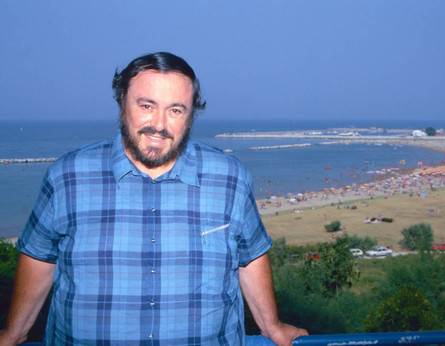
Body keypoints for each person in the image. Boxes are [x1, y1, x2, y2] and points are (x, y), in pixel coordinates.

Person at [0, 52, 308, 345]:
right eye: (147, 105)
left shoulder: (230, 178)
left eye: (175, 110)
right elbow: (40, 256)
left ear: (191, 116)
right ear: (122, 101)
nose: (159, 124)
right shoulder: (67, 175)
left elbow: (250, 255)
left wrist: (271, 326)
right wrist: (14, 333)